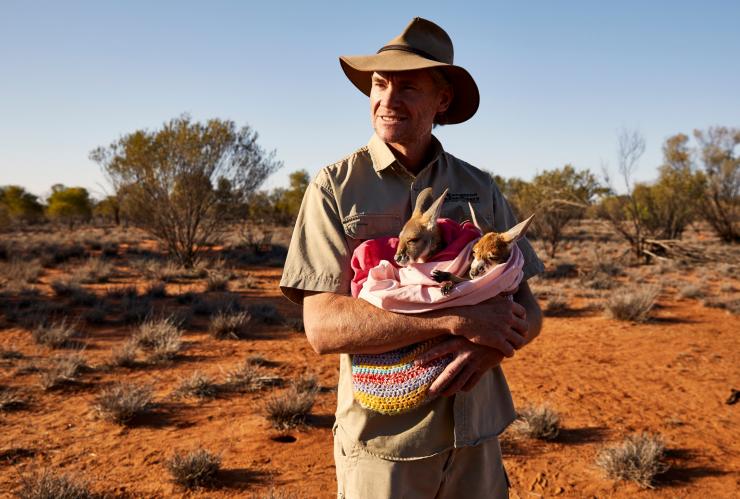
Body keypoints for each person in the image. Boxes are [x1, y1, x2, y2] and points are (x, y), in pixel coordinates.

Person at [280, 17, 544, 498]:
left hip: (477, 439)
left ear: (442, 100)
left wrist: (491, 344)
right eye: (380, 84)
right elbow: (322, 327)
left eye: (408, 87)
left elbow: (530, 309)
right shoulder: (335, 187)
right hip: (385, 445)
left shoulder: (479, 187)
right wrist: (456, 321)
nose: (387, 99)